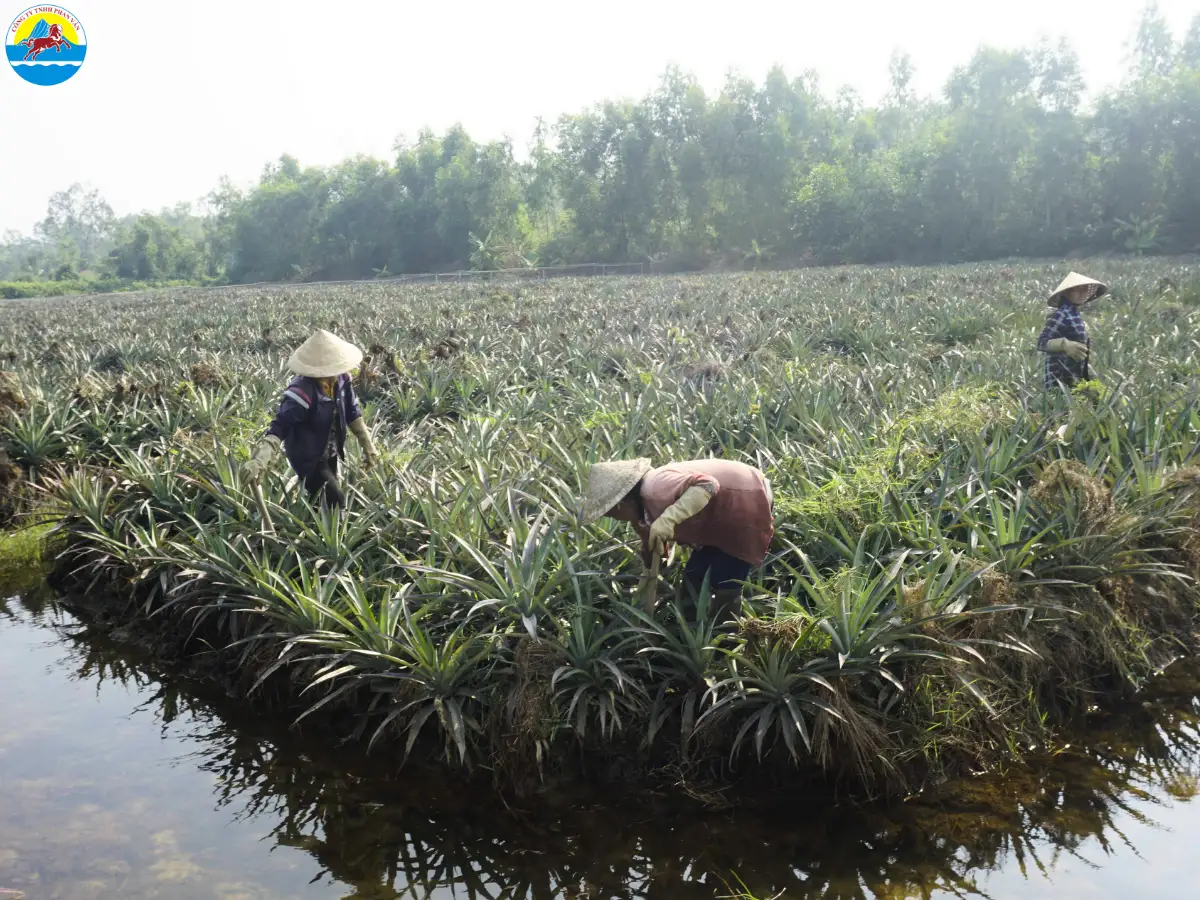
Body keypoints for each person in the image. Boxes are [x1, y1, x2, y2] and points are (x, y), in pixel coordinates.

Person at [581, 457, 774, 622]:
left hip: (745, 499)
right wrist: (648, 570)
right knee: (694, 574)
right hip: (716, 515)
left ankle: (727, 636)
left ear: (621, 503)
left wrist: (670, 517)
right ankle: (688, 624)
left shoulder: (655, 486)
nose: (614, 518)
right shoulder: (640, 512)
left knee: (726, 577)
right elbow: (652, 547)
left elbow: (708, 485)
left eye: (611, 513)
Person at [243, 329, 378, 509]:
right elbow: (280, 425)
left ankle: (318, 520)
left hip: (330, 449)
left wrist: (367, 443)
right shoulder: (301, 392)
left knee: (323, 497)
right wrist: (261, 458)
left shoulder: (342, 380)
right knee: (335, 499)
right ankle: (334, 525)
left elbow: (352, 411)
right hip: (307, 455)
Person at [1037, 272, 1109, 442]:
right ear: (1066, 292)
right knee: (1066, 418)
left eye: (1085, 289)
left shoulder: (1074, 314)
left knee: (1077, 416)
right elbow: (1041, 342)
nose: (1083, 292)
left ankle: (1060, 444)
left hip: (1073, 375)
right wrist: (1064, 344)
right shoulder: (1062, 314)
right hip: (1059, 376)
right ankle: (1054, 445)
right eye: (1077, 289)